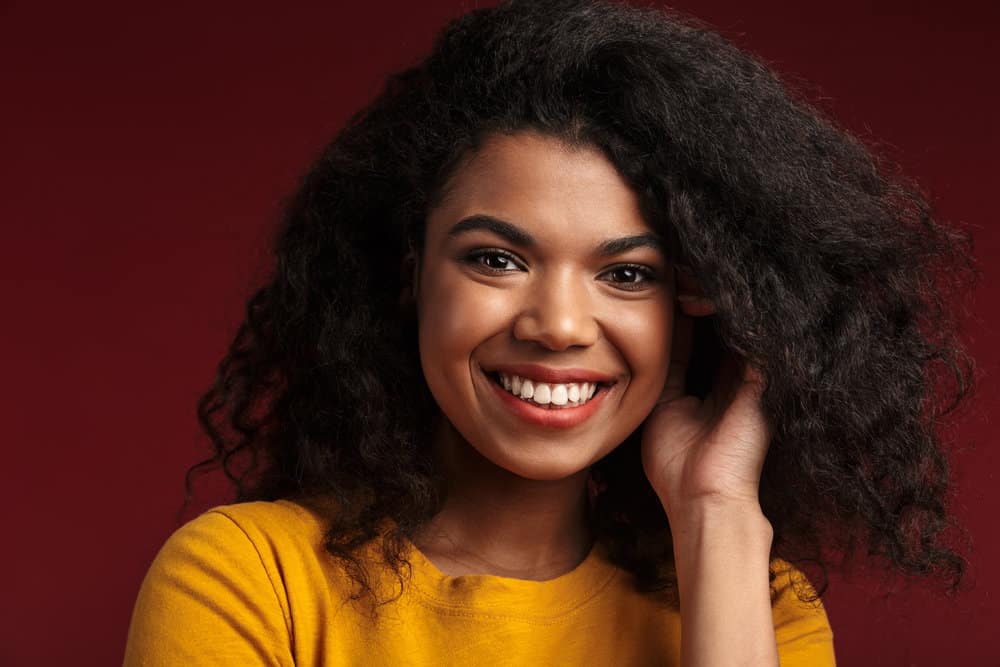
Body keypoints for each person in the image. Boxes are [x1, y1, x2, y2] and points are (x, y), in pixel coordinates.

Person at [123, 0, 974, 665]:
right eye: (496, 259)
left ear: (699, 301)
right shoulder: (248, 581)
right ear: (410, 269)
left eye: (628, 274)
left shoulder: (757, 605)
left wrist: (715, 513)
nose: (560, 325)